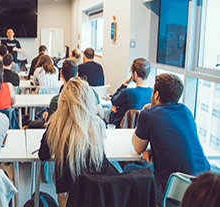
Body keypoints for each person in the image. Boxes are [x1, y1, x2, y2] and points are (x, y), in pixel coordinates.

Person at [132, 73, 210, 206]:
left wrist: (143, 114)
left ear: (156, 94)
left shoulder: (148, 114)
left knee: (131, 171)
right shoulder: (186, 111)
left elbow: (138, 148)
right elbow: (177, 142)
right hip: (205, 185)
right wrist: (154, 150)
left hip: (172, 190)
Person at [39, 78, 118, 206]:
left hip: (69, 190)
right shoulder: (97, 124)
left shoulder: (56, 124)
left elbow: (43, 155)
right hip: (96, 187)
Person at [28, 60, 78, 129]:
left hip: (59, 129)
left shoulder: (56, 100)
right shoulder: (85, 97)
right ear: (77, 75)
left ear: (61, 75)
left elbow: (51, 121)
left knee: (31, 124)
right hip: (78, 130)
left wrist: (47, 115)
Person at [107, 57, 153, 128]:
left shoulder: (128, 92)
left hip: (120, 126)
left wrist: (124, 84)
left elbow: (114, 100)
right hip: (140, 129)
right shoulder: (153, 93)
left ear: (135, 74)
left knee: (103, 109)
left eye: (131, 71)